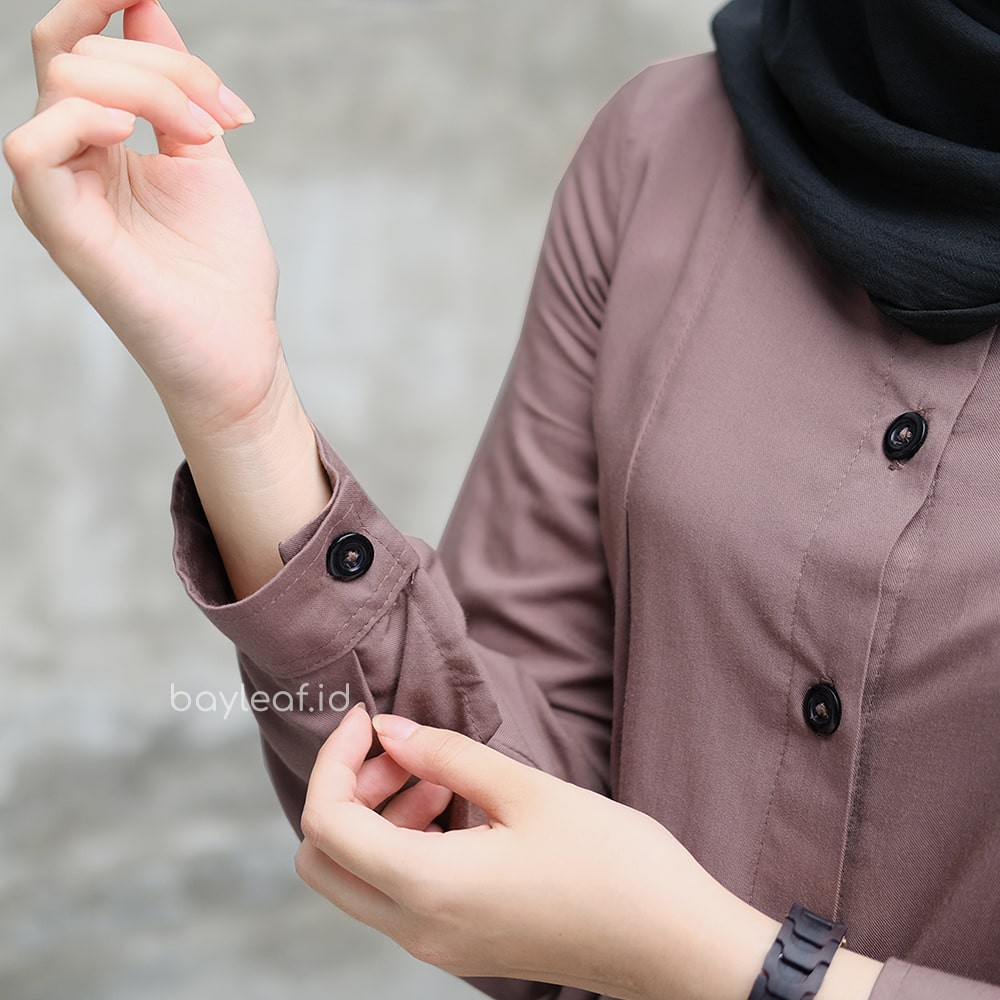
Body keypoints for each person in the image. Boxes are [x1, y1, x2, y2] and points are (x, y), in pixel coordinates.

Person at [6, 0, 1000, 998]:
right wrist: (243, 411)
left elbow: (606, 921)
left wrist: (725, 962)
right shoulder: (669, 145)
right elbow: (502, 815)